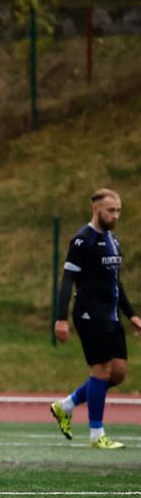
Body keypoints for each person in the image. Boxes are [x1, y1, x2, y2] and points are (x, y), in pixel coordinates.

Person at [51, 189, 141, 449]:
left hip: (111, 316)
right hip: (89, 314)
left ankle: (65, 406)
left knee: (119, 373)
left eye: (118, 210)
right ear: (96, 210)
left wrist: (132, 315)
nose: (116, 215)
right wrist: (61, 318)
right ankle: (96, 434)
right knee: (101, 371)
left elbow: (116, 282)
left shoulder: (113, 240)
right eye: (111, 210)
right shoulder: (83, 240)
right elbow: (68, 279)